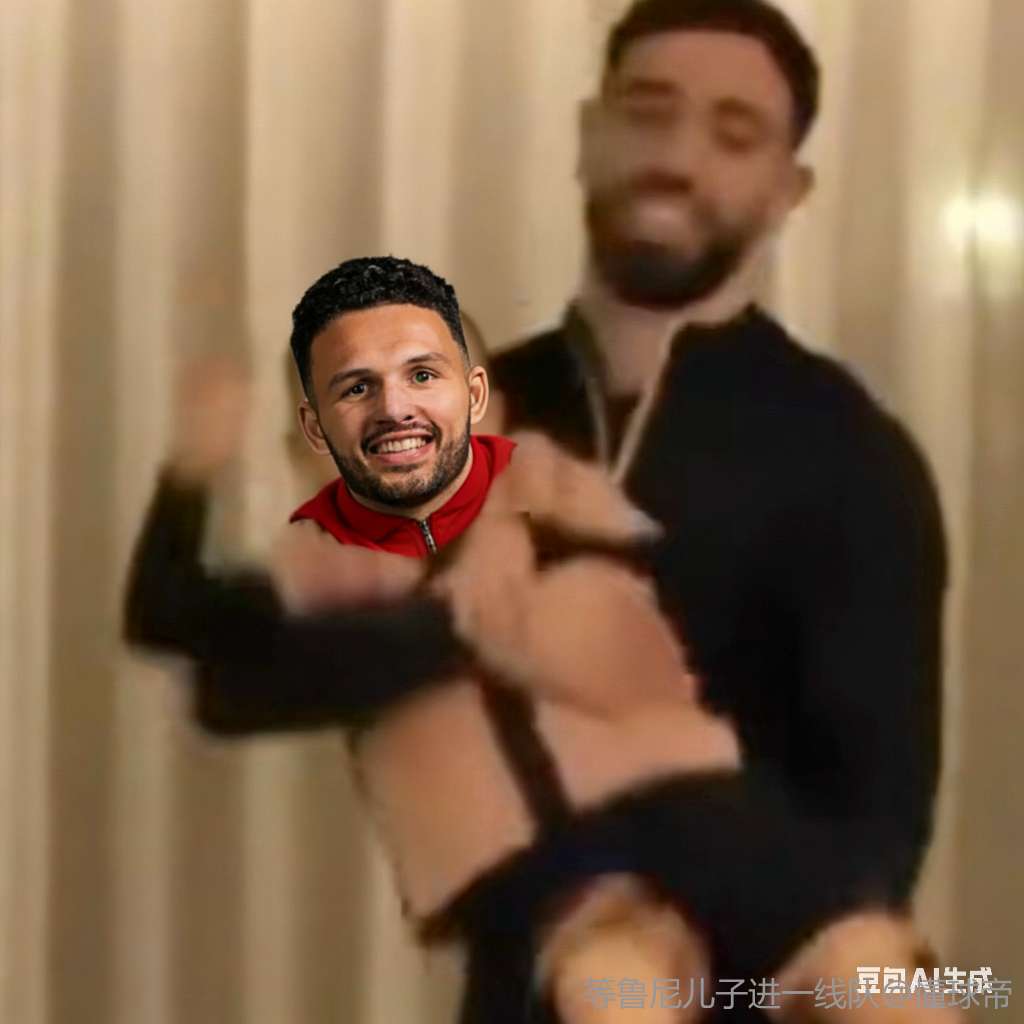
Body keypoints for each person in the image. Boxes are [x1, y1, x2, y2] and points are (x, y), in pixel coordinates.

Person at [125, 256, 747, 1024]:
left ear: (492, 411)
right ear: (307, 456)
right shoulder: (331, 588)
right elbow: (186, 640)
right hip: (533, 916)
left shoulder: (570, 513)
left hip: (696, 862)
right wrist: (189, 476)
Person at [483, 0, 951, 1019]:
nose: (677, 158)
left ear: (787, 190)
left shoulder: (849, 449)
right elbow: (417, 754)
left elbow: (877, 815)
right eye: (648, 113)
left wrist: (712, 943)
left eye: (733, 136)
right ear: (587, 135)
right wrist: (592, 922)